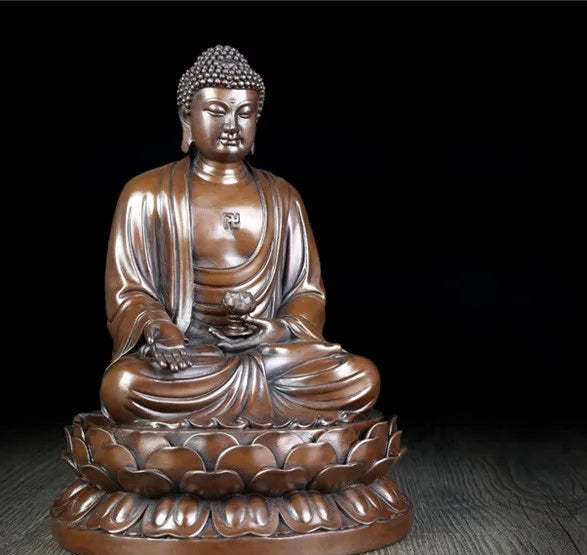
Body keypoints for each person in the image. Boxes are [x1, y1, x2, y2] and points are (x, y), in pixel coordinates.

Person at [100, 46, 380, 428]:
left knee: (362, 377)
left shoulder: (283, 197)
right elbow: (128, 291)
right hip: (190, 359)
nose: (232, 125)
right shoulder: (146, 194)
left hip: (269, 357)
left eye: (244, 113)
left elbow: (307, 294)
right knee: (123, 386)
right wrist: (159, 329)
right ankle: (267, 418)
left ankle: (225, 417)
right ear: (187, 117)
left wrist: (277, 330)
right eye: (217, 111)